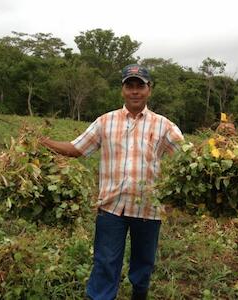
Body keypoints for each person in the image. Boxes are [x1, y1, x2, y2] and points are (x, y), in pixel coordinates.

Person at [40, 64, 184, 300]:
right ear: (123, 90)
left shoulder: (164, 125)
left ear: (149, 90)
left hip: (148, 208)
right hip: (111, 207)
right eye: (130, 86)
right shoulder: (105, 122)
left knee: (143, 263)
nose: (135, 91)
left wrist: (219, 144)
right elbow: (77, 148)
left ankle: (139, 293)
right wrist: (45, 142)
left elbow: (186, 158)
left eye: (140, 86)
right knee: (105, 261)